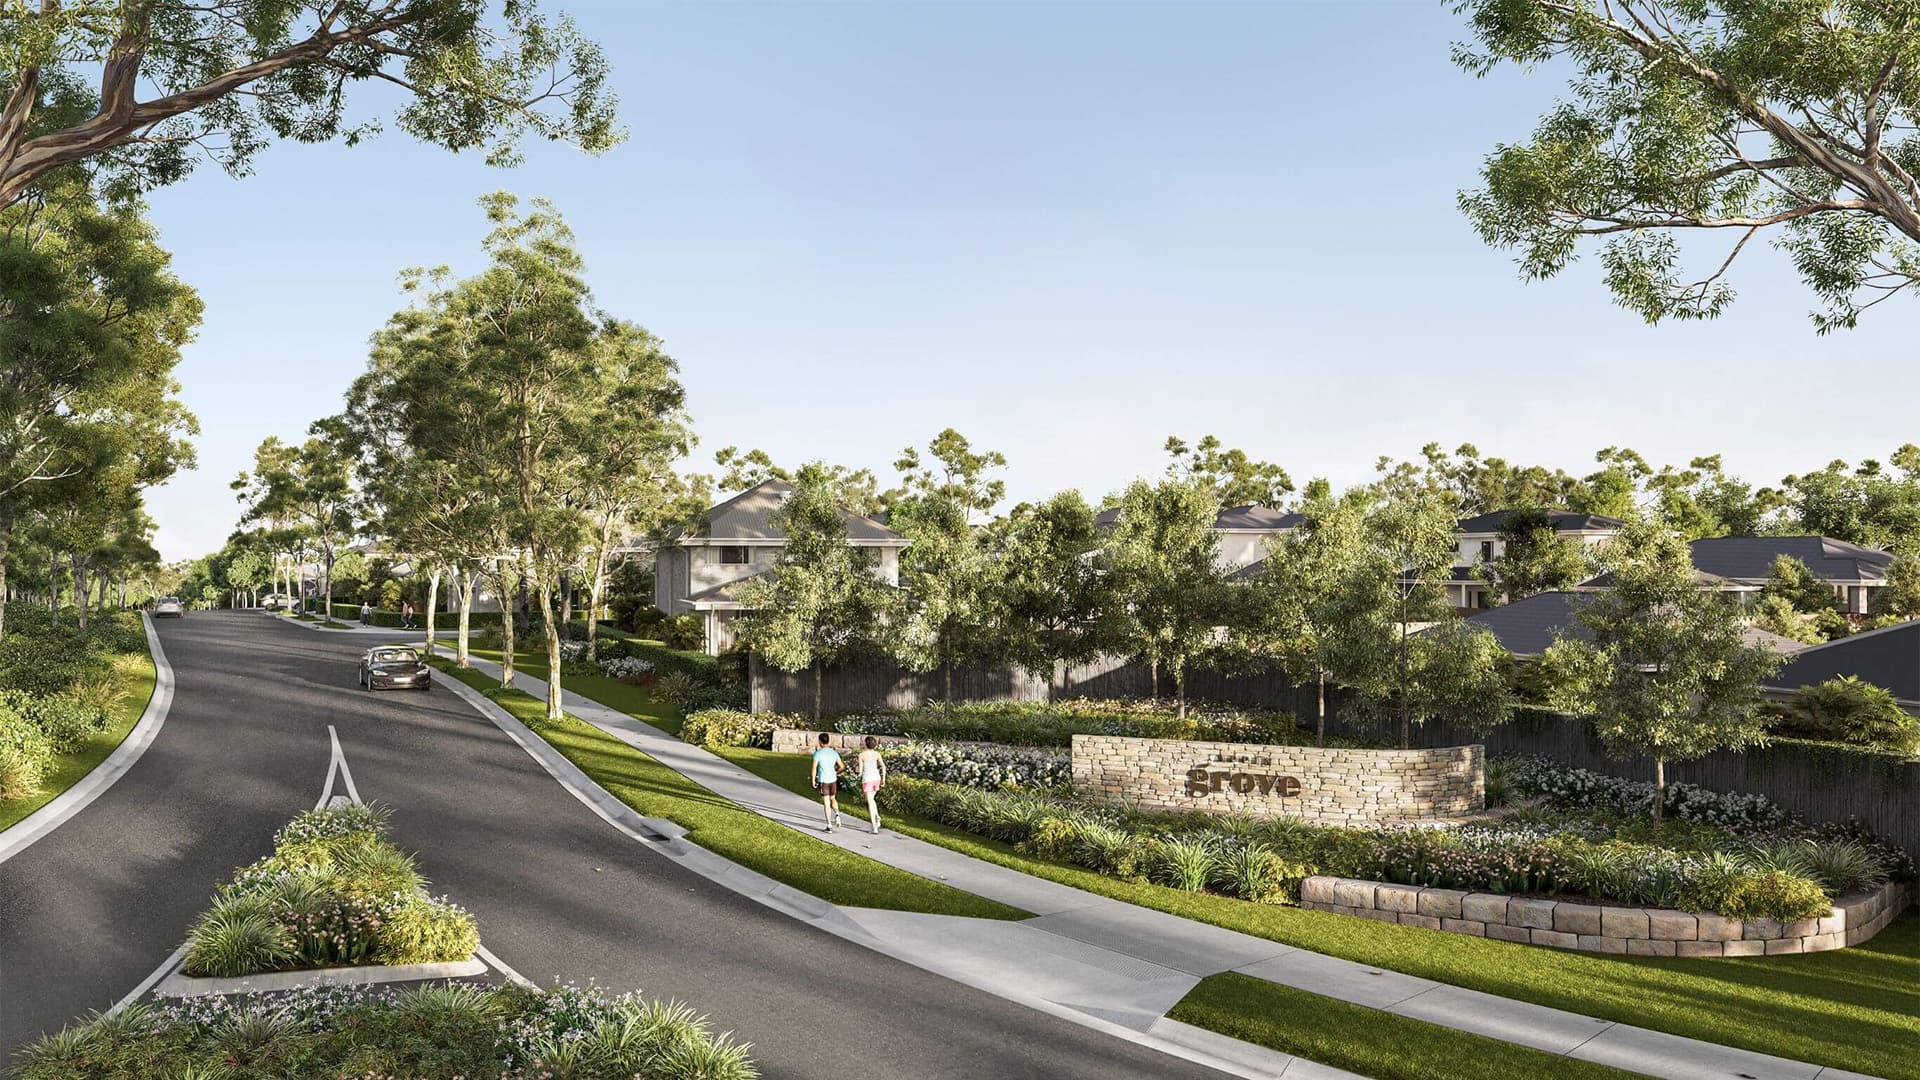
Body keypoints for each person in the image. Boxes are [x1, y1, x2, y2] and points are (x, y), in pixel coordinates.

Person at [810, 732, 843, 833]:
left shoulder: (818, 753)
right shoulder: (834, 753)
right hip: (833, 779)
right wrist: (836, 772)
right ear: (828, 741)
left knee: (826, 802)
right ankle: (837, 814)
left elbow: (814, 768)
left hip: (823, 780)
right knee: (833, 798)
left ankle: (829, 825)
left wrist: (813, 780)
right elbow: (842, 766)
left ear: (820, 742)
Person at [856, 736, 887, 835]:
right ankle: (877, 817)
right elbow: (883, 766)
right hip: (876, 778)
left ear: (866, 744)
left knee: (870, 802)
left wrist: (857, 772)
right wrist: (883, 778)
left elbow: (860, 771)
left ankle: (874, 826)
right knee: (872, 800)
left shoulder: (861, 755)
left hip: (867, 779)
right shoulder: (877, 754)